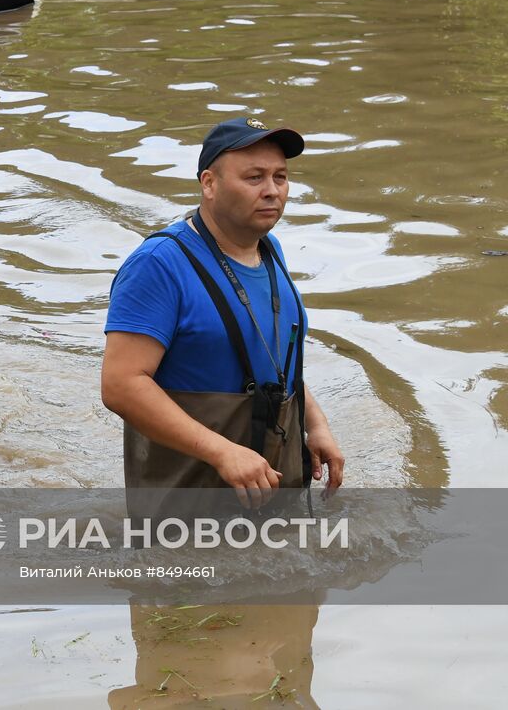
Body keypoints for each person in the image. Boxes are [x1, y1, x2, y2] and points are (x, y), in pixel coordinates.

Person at [101, 116, 344, 509]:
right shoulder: (158, 265)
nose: (272, 191)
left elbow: (273, 358)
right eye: (254, 178)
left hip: (270, 481)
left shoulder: (270, 251)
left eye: (280, 177)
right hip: (191, 501)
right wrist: (222, 452)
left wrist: (316, 424)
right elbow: (121, 385)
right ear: (209, 184)